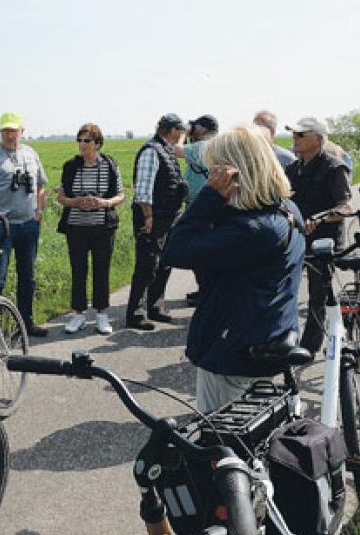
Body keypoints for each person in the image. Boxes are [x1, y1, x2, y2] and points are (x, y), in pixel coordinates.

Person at [161, 124, 305, 413]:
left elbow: (174, 250)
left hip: (234, 357)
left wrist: (209, 198)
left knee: (223, 449)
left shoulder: (251, 230)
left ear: (233, 174)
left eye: (216, 170)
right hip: (268, 337)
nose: (211, 177)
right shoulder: (285, 209)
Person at [0, 112, 49, 337]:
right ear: (0, 132)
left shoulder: (31, 153)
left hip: (28, 225)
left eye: (13, 131)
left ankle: (25, 323)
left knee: (28, 277)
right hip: (1, 227)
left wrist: (39, 211)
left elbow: (41, 185)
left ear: (21, 131)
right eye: (5, 131)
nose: (9, 135)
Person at [285, 116, 352, 356]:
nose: (295, 138)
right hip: (294, 239)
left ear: (318, 138)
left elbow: (346, 207)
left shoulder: (334, 167)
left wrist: (321, 217)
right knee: (285, 290)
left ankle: (309, 347)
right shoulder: (292, 168)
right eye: (294, 134)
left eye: (301, 134)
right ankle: (282, 340)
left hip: (323, 242)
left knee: (318, 296)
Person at [56, 123, 125, 335]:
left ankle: (101, 314)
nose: (82, 144)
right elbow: (61, 197)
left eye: (87, 140)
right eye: (79, 140)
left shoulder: (110, 165)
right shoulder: (70, 166)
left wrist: (103, 203)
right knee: (78, 271)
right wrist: (74, 202)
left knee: (101, 270)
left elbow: (120, 195)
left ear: (98, 144)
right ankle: (78, 314)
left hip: (102, 227)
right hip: (76, 227)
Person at [125, 113, 188, 330]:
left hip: (167, 216)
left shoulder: (166, 150)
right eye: (181, 131)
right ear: (173, 131)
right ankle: (136, 313)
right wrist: (148, 216)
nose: (183, 135)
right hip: (152, 217)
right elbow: (143, 191)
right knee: (147, 264)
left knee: (164, 262)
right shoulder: (152, 151)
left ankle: (155, 306)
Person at [174, 114, 218, 307]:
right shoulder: (212, 145)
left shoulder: (204, 146)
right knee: (204, 252)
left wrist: (183, 133)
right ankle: (206, 290)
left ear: (202, 129)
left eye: (195, 127)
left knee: (201, 252)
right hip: (205, 205)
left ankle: (208, 293)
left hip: (202, 207)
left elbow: (176, 150)